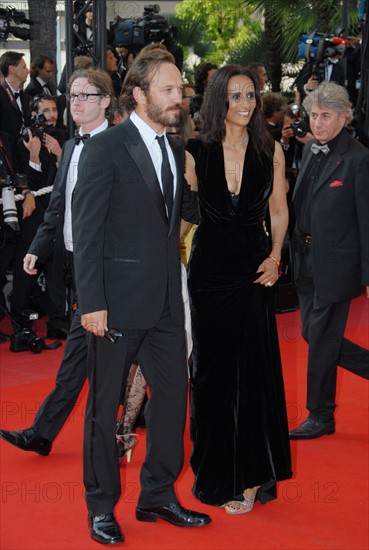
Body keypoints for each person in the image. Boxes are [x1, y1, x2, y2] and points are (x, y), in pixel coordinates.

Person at [72, 48, 211, 545]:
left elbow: (178, 219)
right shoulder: (106, 148)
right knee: (105, 406)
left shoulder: (176, 150)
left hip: (167, 304)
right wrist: (91, 302)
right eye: (170, 90)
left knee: (173, 402)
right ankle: (101, 507)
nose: (180, 98)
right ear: (139, 94)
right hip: (113, 303)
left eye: (181, 90)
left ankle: (157, 493)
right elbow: (87, 232)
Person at [185, 65, 292, 514]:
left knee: (252, 373)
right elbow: (185, 215)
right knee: (212, 374)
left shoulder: (271, 151)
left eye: (251, 95)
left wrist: (275, 257)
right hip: (208, 275)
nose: (247, 104)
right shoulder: (194, 151)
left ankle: (249, 477)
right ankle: (214, 470)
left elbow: (280, 212)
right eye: (237, 96)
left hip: (253, 273)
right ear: (218, 101)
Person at [0, 69, 113, 455]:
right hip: (77, 266)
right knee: (82, 353)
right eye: (73, 95)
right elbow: (58, 208)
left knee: (121, 353)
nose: (76, 101)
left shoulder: (118, 147)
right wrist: (38, 247)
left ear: (106, 102)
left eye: (86, 94)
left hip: (112, 269)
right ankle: (45, 432)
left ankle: (132, 420)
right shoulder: (69, 147)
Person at [289, 81, 369, 440]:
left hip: (337, 263)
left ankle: (320, 414)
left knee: (320, 337)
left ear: (344, 118)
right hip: (304, 258)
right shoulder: (309, 152)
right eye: (314, 115)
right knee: (312, 333)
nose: (317, 123)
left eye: (325, 116)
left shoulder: (358, 158)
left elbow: (366, 221)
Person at [11, 94, 68, 338]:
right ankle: (20, 321)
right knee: (27, 269)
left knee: (56, 271)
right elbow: (28, 183)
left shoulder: (66, 138)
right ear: (34, 114)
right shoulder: (24, 140)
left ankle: (57, 323)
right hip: (33, 215)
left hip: (58, 214)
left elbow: (69, 177)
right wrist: (34, 157)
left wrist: (59, 154)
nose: (52, 114)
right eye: (46, 110)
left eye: (54, 109)